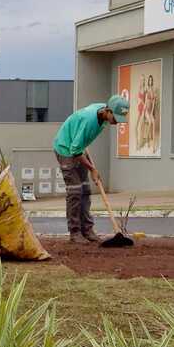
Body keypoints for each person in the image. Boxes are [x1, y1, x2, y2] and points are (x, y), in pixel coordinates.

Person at [53, 96, 129, 243]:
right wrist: (92, 168)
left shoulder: (101, 112)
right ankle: (75, 233)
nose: (118, 122)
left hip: (79, 147)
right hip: (66, 149)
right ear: (108, 111)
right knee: (75, 191)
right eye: (116, 117)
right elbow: (74, 151)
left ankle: (87, 230)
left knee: (86, 191)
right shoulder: (90, 121)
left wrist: (81, 141)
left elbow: (79, 143)